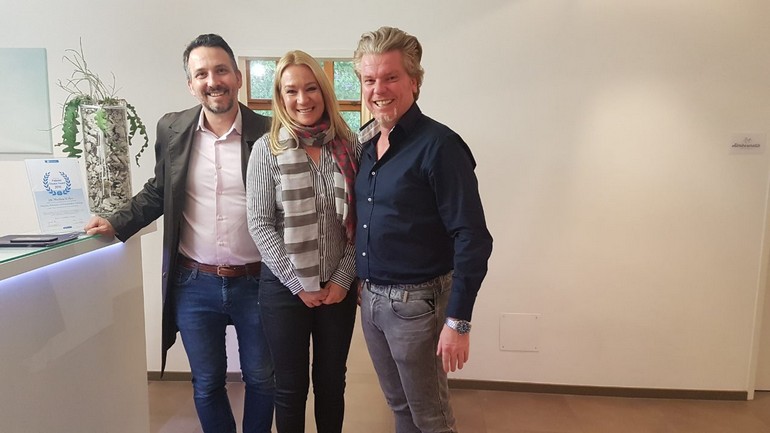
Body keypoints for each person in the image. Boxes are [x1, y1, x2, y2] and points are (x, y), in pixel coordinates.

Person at [84, 34, 274, 433]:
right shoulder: (172, 129)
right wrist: (118, 220)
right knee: (206, 383)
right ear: (191, 84)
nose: (213, 81)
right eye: (201, 74)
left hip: (258, 281)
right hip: (194, 283)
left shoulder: (269, 132)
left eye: (221, 70)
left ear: (238, 77)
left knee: (262, 379)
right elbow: (160, 190)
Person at [352, 26, 494, 433]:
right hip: (371, 300)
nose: (379, 89)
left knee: (431, 417)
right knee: (399, 407)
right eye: (369, 79)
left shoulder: (440, 146)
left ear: (414, 81)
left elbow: (472, 236)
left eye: (390, 77)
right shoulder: (368, 145)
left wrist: (458, 321)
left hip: (417, 307)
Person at [246, 50, 359, 433]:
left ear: (324, 92)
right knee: (290, 389)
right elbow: (260, 224)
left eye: (311, 88)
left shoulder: (349, 146)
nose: (302, 99)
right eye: (291, 90)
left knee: (332, 382)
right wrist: (299, 284)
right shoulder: (267, 150)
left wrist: (342, 278)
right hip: (284, 290)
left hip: (338, 288)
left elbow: (362, 220)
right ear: (280, 96)